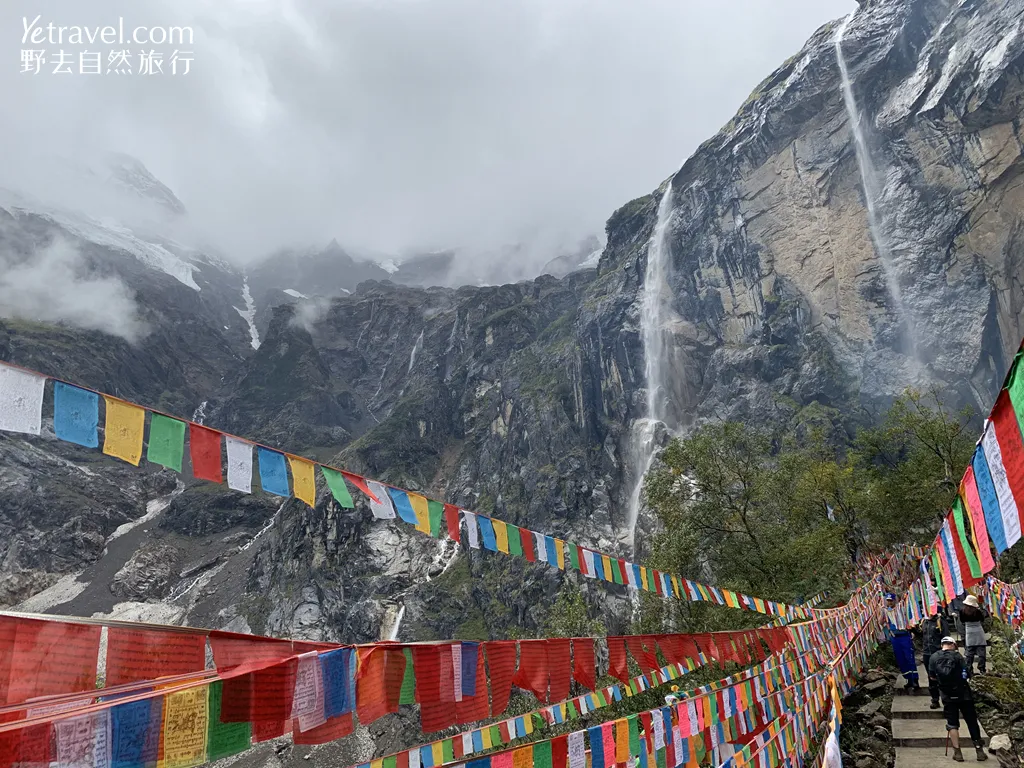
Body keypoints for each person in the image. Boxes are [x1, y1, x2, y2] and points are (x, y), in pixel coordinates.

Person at [928, 636, 988, 762]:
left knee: (952, 724)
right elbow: (967, 673)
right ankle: (979, 751)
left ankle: (958, 753)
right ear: (953, 645)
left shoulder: (933, 657)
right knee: (971, 721)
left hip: (947, 696)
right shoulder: (958, 656)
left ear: (942, 645)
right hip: (964, 694)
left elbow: (932, 677)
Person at [885, 593, 920, 690]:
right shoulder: (886, 611)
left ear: (895, 600)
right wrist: (881, 612)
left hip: (904, 636)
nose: (889, 602)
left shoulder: (901, 609)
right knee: (901, 659)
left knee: (909, 658)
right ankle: (908, 680)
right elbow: (881, 622)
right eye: (888, 600)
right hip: (895, 637)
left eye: (891, 600)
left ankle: (915, 680)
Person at [960, 595, 989, 676]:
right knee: (981, 653)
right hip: (978, 630)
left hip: (968, 630)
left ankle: (969, 669)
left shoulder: (962, 611)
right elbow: (982, 619)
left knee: (969, 653)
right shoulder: (978, 611)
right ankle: (982, 668)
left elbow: (962, 621)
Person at [922, 615, 942, 709]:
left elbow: (945, 636)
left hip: (938, 652)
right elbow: (920, 634)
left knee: (942, 676)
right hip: (926, 652)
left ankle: (947, 701)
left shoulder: (940, 621)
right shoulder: (924, 622)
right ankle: (935, 700)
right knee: (931, 677)